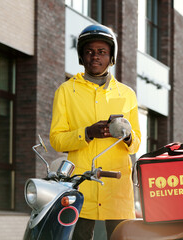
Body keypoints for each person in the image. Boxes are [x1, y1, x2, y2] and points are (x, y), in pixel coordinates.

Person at [49, 24, 141, 239]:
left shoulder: (127, 94)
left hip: (117, 186)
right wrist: (87, 133)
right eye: (89, 52)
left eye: (102, 52)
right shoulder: (66, 91)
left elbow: (137, 143)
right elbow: (56, 139)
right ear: (81, 56)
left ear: (111, 57)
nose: (95, 57)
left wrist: (127, 135)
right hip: (81, 187)